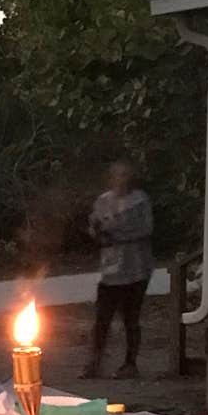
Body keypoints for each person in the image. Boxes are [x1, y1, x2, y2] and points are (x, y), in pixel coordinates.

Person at [82, 159, 152, 380]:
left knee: (131, 318)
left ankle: (130, 364)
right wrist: (96, 232)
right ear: (111, 177)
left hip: (135, 269)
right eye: (118, 174)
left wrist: (119, 235)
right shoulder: (103, 202)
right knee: (102, 318)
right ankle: (94, 362)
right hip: (111, 271)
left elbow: (146, 229)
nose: (122, 179)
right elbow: (95, 231)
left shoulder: (140, 200)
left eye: (126, 174)